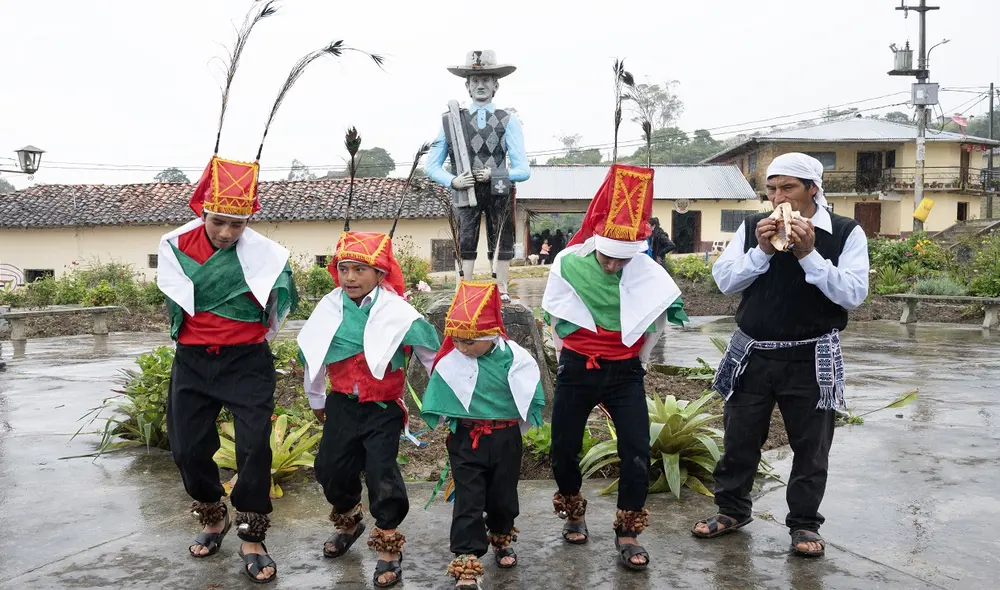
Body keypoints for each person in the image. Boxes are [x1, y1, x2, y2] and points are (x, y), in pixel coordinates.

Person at [691, 152, 869, 558]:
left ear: (813, 189)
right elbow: (724, 281)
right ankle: (732, 510)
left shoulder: (843, 232)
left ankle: (804, 524)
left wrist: (808, 254)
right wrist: (764, 251)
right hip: (753, 353)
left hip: (811, 355)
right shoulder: (754, 227)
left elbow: (854, 295)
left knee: (811, 445)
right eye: (771, 188)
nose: (777, 197)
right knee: (739, 437)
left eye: (786, 187)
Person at [541, 163, 687, 571]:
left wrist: (636, 361)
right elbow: (555, 316)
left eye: (622, 261)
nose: (612, 267)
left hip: (624, 373)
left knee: (637, 450)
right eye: (607, 257)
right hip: (578, 367)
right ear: (596, 242)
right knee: (564, 450)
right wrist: (566, 355)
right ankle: (574, 510)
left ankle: (628, 530)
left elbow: (657, 321)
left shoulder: (646, 269)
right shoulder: (569, 262)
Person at [296, 230, 440, 588]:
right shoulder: (329, 308)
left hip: (382, 409)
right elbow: (313, 356)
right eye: (343, 268)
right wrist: (316, 399)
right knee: (330, 469)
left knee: (381, 474)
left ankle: (389, 544)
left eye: (360, 269)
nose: (350, 277)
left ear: (380, 273)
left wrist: (448, 399)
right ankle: (349, 520)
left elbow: (430, 355)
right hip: (341, 403)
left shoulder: (398, 313)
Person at [420, 280, 545, 589]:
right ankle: (466, 562)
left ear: (491, 335)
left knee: (502, 498)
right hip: (466, 439)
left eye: (469, 341)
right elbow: (440, 391)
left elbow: (531, 394)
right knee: (469, 500)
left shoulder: (517, 360)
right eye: (457, 340)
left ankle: (501, 536)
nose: (461, 347)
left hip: (505, 439)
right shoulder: (452, 362)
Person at [425, 50, 530, 302]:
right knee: (465, 236)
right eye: (475, 81)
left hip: (499, 188)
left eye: (486, 80)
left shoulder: (508, 120)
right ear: (467, 86)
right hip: (465, 188)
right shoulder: (452, 121)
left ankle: (501, 288)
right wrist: (452, 180)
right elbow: (432, 165)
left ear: (496, 85)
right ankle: (464, 287)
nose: (480, 85)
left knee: (502, 236)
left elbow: (523, 169)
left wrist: (493, 174)